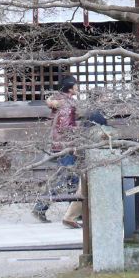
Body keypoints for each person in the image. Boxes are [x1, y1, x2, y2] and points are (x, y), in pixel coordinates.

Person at [32, 76, 79, 223]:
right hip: (65, 145)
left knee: (74, 178)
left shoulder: (60, 100)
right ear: (70, 88)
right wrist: (81, 128)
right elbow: (65, 127)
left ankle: (77, 211)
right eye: (76, 86)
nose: (78, 88)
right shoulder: (67, 104)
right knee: (63, 178)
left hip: (59, 144)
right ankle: (40, 207)